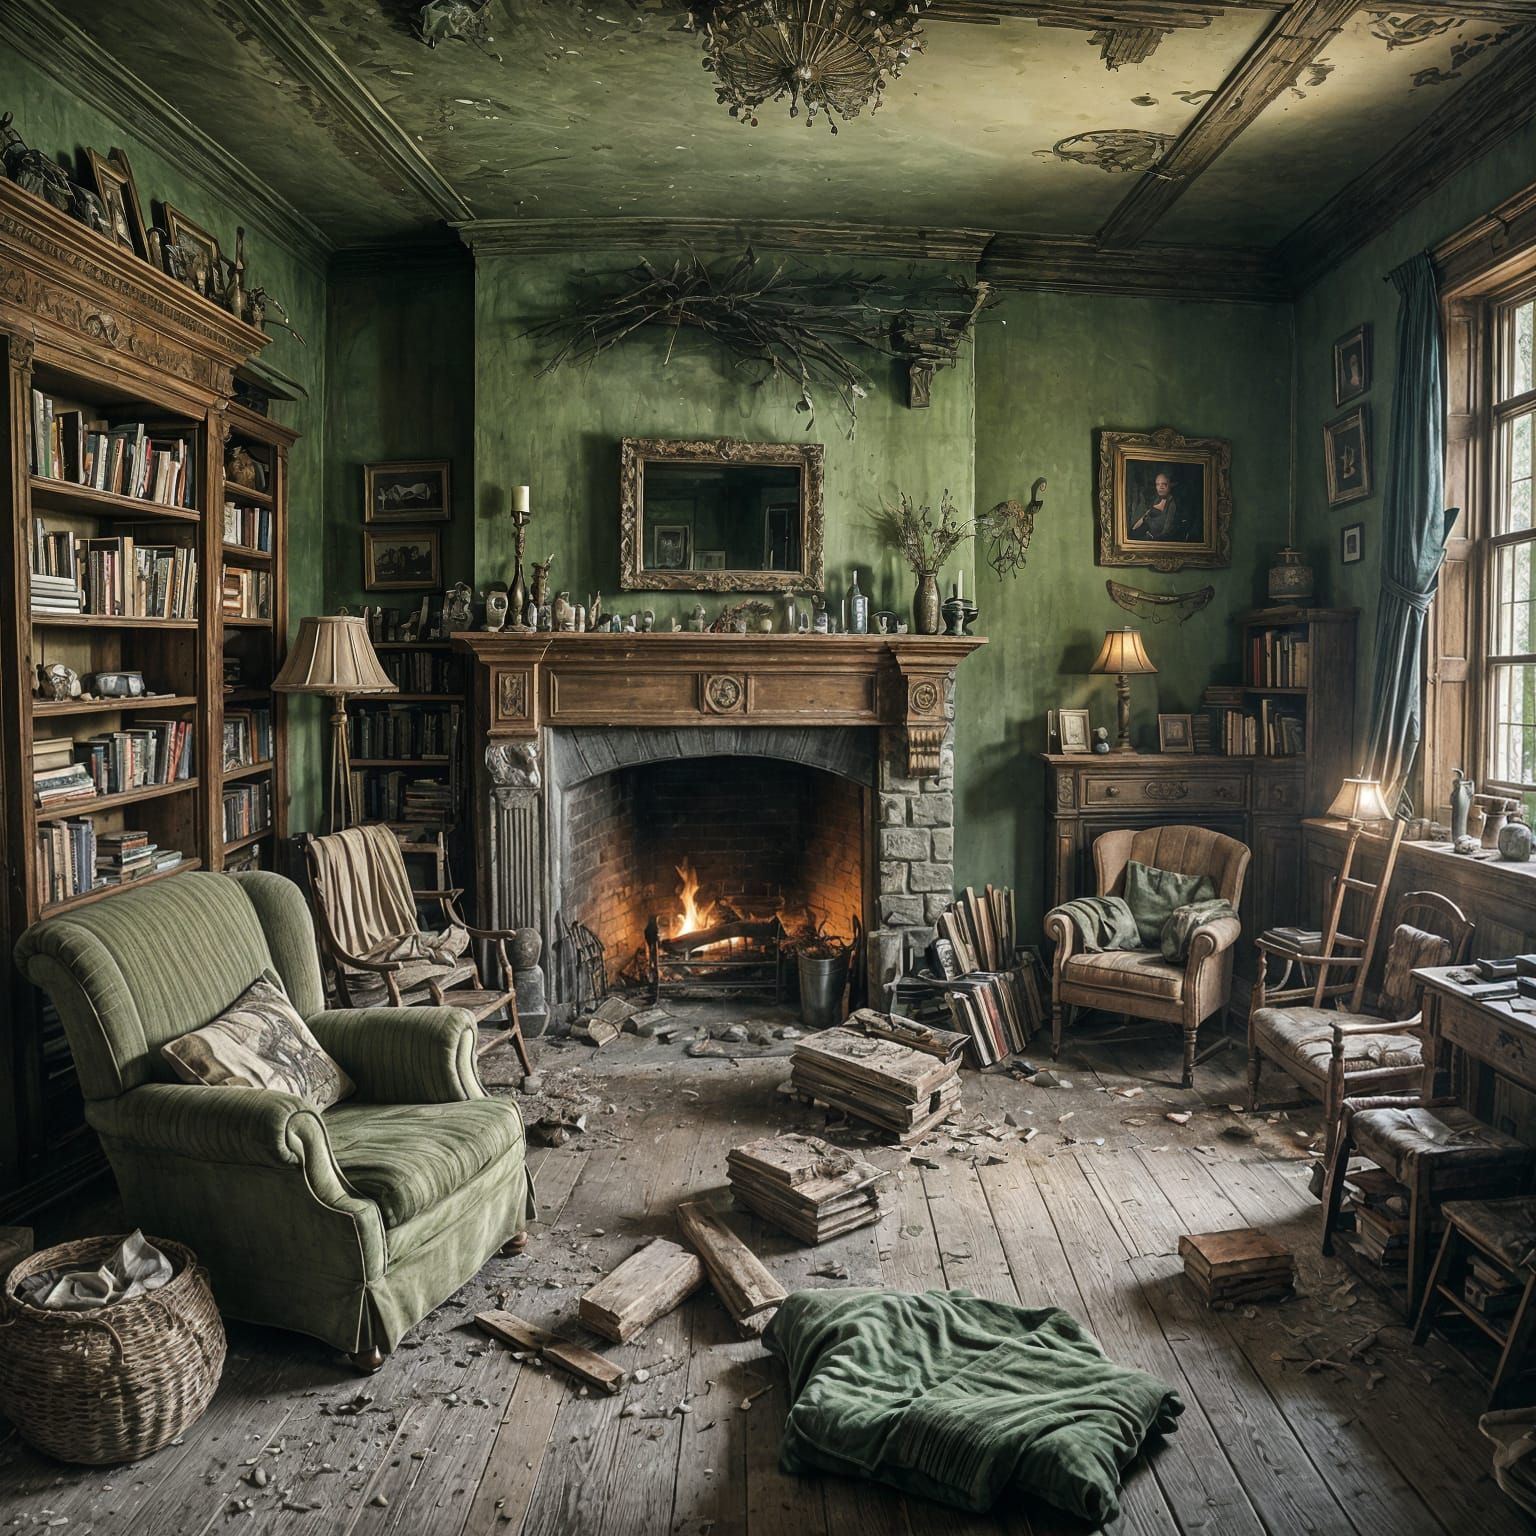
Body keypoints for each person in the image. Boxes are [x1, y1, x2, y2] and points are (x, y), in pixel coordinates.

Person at [1129, 469, 1191, 541]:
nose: (1160, 487)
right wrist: (1133, 530)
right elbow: (1142, 519)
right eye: (1158, 484)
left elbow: (1166, 531)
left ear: (1170, 485)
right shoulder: (1154, 500)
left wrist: (1151, 538)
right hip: (1141, 535)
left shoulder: (1172, 505)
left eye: (1164, 484)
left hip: (1154, 540)